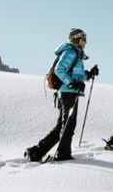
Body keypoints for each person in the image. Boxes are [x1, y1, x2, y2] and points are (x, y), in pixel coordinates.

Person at [25, 28, 99, 162]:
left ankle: (37, 151)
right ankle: (63, 154)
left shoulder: (75, 53)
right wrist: (70, 83)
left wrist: (89, 74)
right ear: (78, 39)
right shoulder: (70, 51)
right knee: (68, 125)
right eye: (84, 39)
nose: (86, 42)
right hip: (67, 93)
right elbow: (60, 69)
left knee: (62, 126)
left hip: (69, 92)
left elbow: (75, 74)